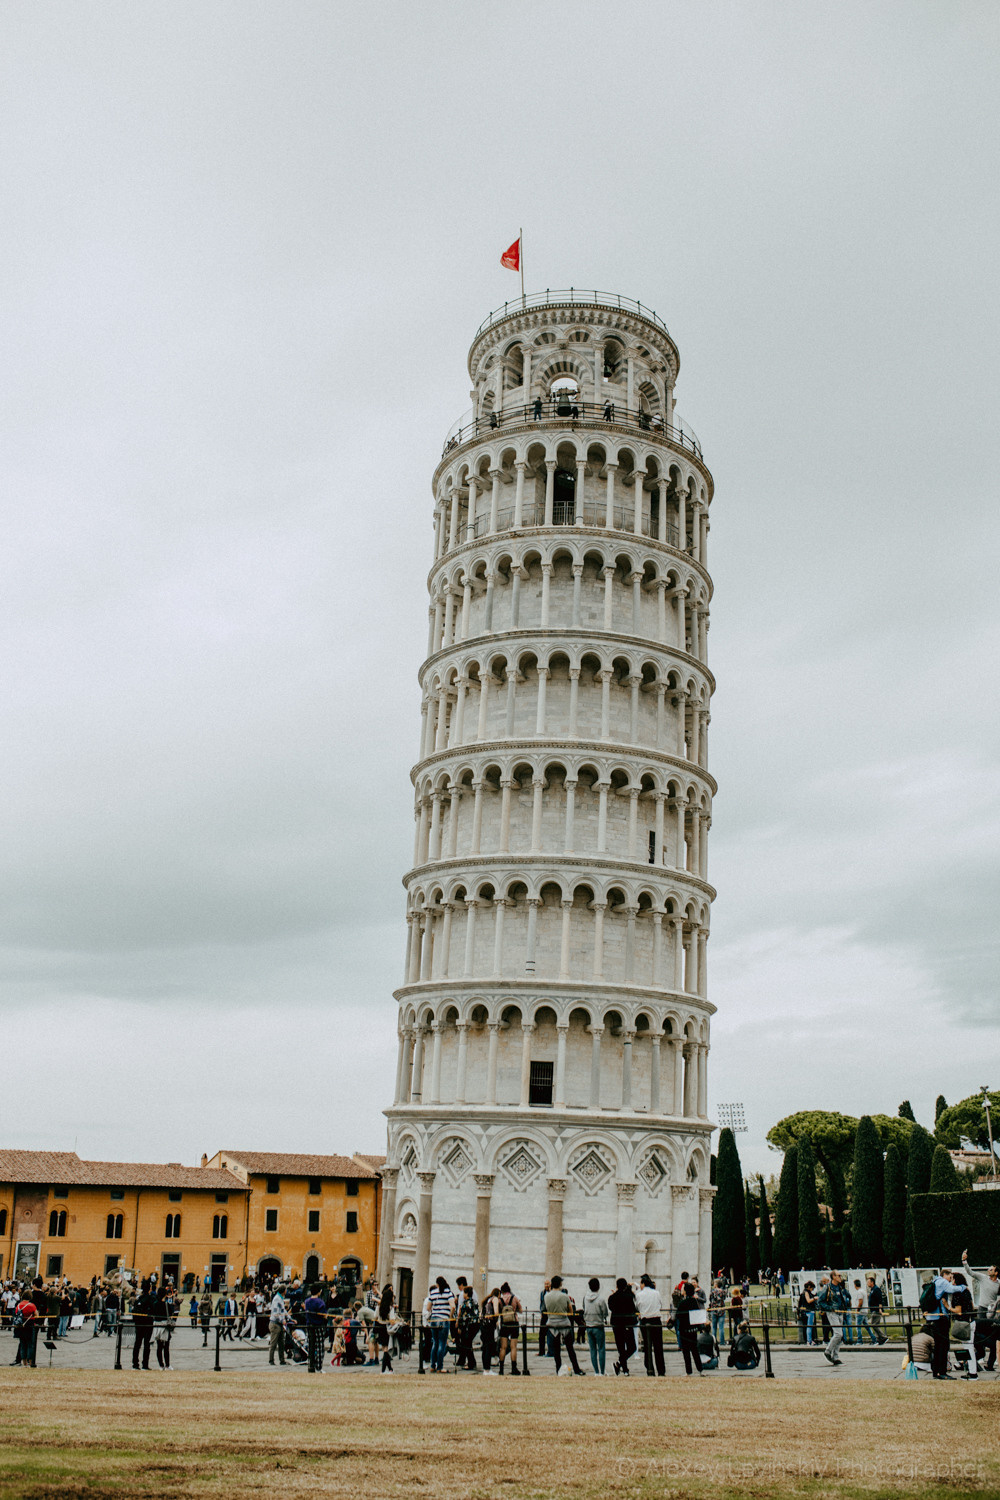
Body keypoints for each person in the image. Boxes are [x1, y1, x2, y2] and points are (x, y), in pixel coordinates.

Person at [962, 1249, 999, 1372]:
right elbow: (970, 1272)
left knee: (993, 1335)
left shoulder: (999, 1284)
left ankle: (989, 1362)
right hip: (983, 1308)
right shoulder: (983, 1278)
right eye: (989, 1269)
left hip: (992, 1310)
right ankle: (978, 1355)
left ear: (996, 1273)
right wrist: (964, 1260)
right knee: (980, 1333)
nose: (989, 1270)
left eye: (991, 1269)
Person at [922, 1269, 960, 1380]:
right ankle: (942, 1371)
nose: (950, 1279)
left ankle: (936, 1371)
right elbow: (952, 1289)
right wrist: (963, 1287)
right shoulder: (942, 1282)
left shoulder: (934, 1283)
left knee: (937, 1345)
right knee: (943, 1345)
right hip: (940, 1317)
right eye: (950, 1277)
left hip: (933, 1317)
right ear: (944, 1275)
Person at [544, 1276, 582, 1375]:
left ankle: (558, 1369)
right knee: (570, 1348)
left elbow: (546, 1309)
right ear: (560, 1284)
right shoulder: (564, 1296)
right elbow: (570, 1310)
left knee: (556, 1350)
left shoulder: (546, 1296)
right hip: (564, 1323)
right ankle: (576, 1369)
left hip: (552, 1323)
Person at [817, 1272, 851, 1366]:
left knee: (840, 1336)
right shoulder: (827, 1288)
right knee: (838, 1333)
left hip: (840, 1313)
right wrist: (829, 1308)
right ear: (833, 1277)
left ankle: (835, 1357)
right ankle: (828, 1351)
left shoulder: (840, 1287)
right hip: (832, 1313)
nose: (840, 1277)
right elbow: (820, 1301)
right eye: (839, 1275)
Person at [949, 1272, 977, 1379]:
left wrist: (948, 1307)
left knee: (968, 1347)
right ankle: (971, 1370)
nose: (951, 1281)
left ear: (956, 1280)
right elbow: (972, 1306)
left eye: (952, 1279)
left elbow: (958, 1311)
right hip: (970, 1321)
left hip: (964, 1323)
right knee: (970, 1347)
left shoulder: (957, 1293)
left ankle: (973, 1373)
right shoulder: (966, 1291)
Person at [636, 1273, 665, 1377]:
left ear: (643, 1283)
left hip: (645, 1320)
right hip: (656, 1320)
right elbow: (660, 1304)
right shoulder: (656, 1293)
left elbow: (638, 1307)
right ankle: (661, 1370)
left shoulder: (639, 1294)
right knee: (658, 1347)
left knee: (647, 1346)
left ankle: (649, 1368)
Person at [609, 1277, 638, 1375]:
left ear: (616, 1286)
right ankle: (623, 1367)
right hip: (627, 1324)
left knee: (621, 1348)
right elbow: (633, 1309)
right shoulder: (629, 1297)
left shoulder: (612, 1297)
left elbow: (611, 1307)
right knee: (632, 1347)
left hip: (617, 1325)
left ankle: (623, 1368)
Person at [674, 1280, 704, 1375]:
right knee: (695, 1351)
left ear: (685, 1291)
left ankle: (689, 1371)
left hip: (684, 1330)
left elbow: (678, 1315)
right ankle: (700, 1369)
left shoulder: (682, 1303)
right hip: (693, 1330)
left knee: (686, 1352)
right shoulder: (694, 1301)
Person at [582, 1277, 608, 1376]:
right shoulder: (600, 1299)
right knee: (601, 1349)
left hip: (589, 1326)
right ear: (598, 1287)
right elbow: (605, 1312)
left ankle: (596, 1371)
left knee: (592, 1350)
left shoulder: (585, 1298)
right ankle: (602, 1371)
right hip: (598, 1325)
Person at [427, 1276, 452, 1373]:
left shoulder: (433, 1292)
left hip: (434, 1319)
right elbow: (453, 1305)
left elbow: (428, 1307)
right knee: (442, 1343)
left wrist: (434, 1310)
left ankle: (433, 1365)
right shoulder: (448, 1292)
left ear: (437, 1284)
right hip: (444, 1319)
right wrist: (449, 1315)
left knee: (435, 1343)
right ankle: (440, 1367)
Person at [496, 1282, 522, 1375]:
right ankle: (514, 1368)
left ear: (502, 1291)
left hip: (504, 1325)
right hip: (514, 1323)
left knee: (503, 1347)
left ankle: (501, 1369)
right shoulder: (514, 1298)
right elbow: (521, 1310)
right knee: (513, 1347)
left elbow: (498, 1311)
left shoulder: (500, 1300)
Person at [454, 1284, 479, 1372]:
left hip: (467, 1327)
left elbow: (463, 1317)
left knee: (466, 1344)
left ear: (467, 1293)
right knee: (468, 1344)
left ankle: (471, 1363)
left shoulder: (466, 1304)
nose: (463, 1294)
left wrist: (460, 1327)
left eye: (464, 1293)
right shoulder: (473, 1302)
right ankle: (472, 1362)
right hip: (474, 1326)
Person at [11, 1289, 38, 1368]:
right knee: (30, 1344)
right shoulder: (31, 1305)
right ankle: (30, 1361)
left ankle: (24, 1362)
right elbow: (36, 1315)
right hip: (29, 1325)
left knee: (22, 1344)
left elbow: (16, 1313)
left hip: (20, 1325)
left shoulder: (19, 1305)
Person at [303, 1285, 327, 1374]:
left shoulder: (307, 1301)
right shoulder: (320, 1302)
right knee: (320, 1346)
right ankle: (319, 1366)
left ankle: (311, 1365)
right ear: (319, 1292)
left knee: (311, 1346)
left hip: (309, 1325)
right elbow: (324, 1315)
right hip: (319, 1325)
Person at [132, 1283, 155, 1371]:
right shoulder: (151, 1299)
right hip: (148, 1324)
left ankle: (135, 1364)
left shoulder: (138, 1299)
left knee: (137, 1343)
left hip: (138, 1324)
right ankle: (145, 1364)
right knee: (146, 1344)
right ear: (149, 1289)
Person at [374, 1283, 395, 1374]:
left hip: (380, 1327)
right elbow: (392, 1320)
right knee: (386, 1349)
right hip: (387, 1328)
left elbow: (375, 1316)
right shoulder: (390, 1308)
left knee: (384, 1348)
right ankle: (384, 1370)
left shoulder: (379, 1306)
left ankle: (389, 1369)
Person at [480, 1287, 500, 1374]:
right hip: (489, 1325)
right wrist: (497, 1318)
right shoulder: (495, 1299)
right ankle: (488, 1370)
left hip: (483, 1325)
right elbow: (496, 1312)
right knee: (489, 1347)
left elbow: (481, 1314)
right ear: (498, 1294)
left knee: (485, 1347)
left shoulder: (487, 1300)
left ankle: (485, 1368)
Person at [153, 1290, 174, 1370]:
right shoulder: (166, 1304)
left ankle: (161, 1365)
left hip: (157, 1325)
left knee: (159, 1346)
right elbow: (171, 1313)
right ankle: (167, 1364)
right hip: (164, 1325)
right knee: (166, 1346)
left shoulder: (155, 1304)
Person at [865, 1275, 888, 1344]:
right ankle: (878, 1339)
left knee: (874, 1324)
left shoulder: (876, 1289)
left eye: (868, 1282)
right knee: (875, 1324)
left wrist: (880, 1308)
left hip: (876, 1310)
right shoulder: (872, 1290)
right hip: (873, 1309)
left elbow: (879, 1299)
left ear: (872, 1282)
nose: (867, 1283)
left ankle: (883, 1337)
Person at [268, 1286, 287, 1367]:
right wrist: (281, 1320)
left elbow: (283, 1311)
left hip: (279, 1324)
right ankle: (271, 1360)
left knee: (281, 1343)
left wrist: (290, 1318)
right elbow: (276, 1313)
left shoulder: (281, 1298)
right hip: (275, 1324)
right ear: (283, 1291)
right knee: (273, 1343)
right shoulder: (277, 1299)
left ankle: (282, 1360)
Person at [852, 1279, 875, 1344]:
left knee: (858, 1326)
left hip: (861, 1312)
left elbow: (860, 1302)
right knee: (867, 1326)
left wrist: (858, 1309)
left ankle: (859, 1341)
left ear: (855, 1285)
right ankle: (873, 1338)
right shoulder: (863, 1291)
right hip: (865, 1311)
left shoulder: (859, 1292)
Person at [709, 1279, 727, 1345]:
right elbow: (724, 1298)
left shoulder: (713, 1292)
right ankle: (722, 1342)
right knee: (721, 1327)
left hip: (714, 1310)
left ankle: (714, 1341)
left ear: (716, 1285)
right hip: (721, 1310)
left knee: (714, 1327)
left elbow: (710, 1299)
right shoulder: (723, 1291)